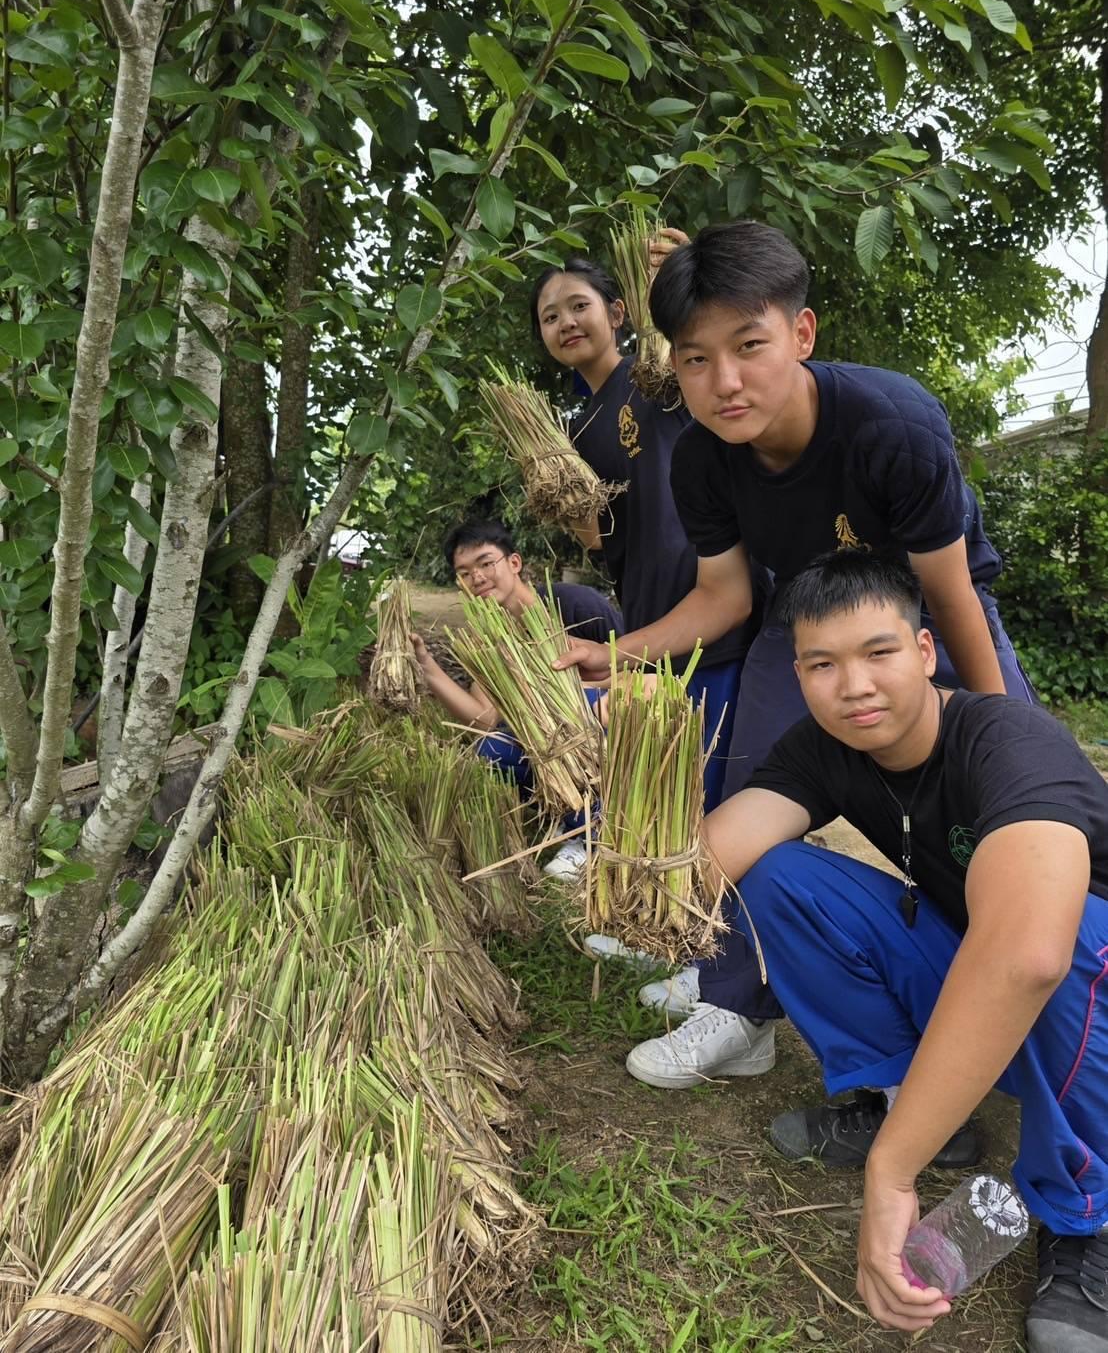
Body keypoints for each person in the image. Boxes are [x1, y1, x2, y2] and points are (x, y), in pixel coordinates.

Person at [553, 220, 1035, 1088]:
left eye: (750, 345)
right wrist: (618, 654)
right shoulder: (701, 461)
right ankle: (738, 1007)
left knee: (1012, 796)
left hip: (922, 599)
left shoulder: (892, 423)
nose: (724, 382)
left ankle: (1029, 988)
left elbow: (952, 593)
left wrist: (992, 730)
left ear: (801, 334)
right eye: (695, 359)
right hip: (799, 613)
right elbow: (726, 597)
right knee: (750, 784)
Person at [696, 550, 1107, 1353]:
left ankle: (1089, 1209)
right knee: (780, 876)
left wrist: (894, 1173)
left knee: (1064, 928)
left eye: (878, 652)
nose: (854, 686)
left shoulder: (1006, 740)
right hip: (1001, 999)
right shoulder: (823, 748)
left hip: (1089, 997)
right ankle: (906, 1098)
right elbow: (715, 853)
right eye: (822, 663)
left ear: (924, 651)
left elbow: (1027, 956)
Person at [529, 244, 767, 820]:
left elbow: (709, 352)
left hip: (719, 606)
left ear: (617, 313)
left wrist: (686, 274)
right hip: (650, 617)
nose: (565, 323)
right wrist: (562, 499)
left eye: (577, 305)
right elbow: (599, 538)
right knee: (675, 794)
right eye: (549, 316)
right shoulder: (573, 430)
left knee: (726, 788)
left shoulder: (658, 374)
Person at [411, 517, 622, 875]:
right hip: (551, 738)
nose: (476, 578)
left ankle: (593, 832)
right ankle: (565, 809)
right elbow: (486, 718)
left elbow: (643, 668)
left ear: (514, 563)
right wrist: (427, 667)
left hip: (606, 720)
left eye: (485, 563)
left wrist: (581, 691)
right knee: (492, 749)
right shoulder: (489, 636)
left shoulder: (572, 604)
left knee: (584, 711)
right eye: (464, 573)